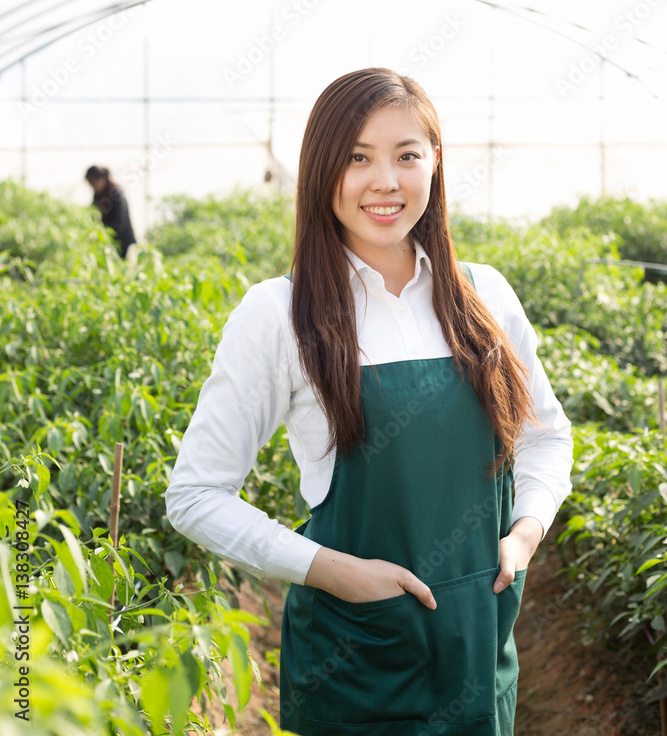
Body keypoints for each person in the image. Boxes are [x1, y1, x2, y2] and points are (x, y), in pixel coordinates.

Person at [165, 67, 573, 736]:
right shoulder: (279, 314)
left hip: (477, 653)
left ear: (434, 165)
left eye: (406, 155)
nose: (385, 180)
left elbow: (544, 437)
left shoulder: (484, 297)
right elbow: (196, 495)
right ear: (322, 172)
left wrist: (524, 532)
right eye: (357, 158)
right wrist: (333, 572)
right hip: (355, 666)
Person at [84, 165, 136, 259]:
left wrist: (103, 234)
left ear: (103, 179)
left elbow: (119, 223)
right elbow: (94, 216)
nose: (92, 187)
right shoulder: (97, 196)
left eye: (93, 183)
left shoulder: (116, 194)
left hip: (122, 244)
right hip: (108, 246)